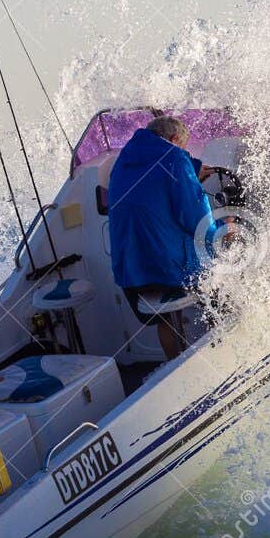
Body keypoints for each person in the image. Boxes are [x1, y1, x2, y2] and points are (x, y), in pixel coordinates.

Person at [106, 115, 213, 360]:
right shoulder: (175, 157)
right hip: (167, 270)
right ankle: (220, 352)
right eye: (184, 148)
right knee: (220, 262)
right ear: (175, 140)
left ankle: (173, 364)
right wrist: (222, 230)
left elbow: (155, 175)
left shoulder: (123, 159)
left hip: (130, 273)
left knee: (166, 317)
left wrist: (192, 169)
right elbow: (195, 218)